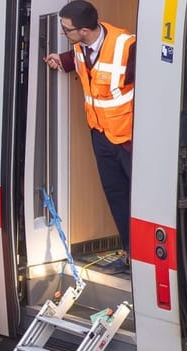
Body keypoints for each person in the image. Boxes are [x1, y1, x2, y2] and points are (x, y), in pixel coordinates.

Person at [44, 0, 135, 270]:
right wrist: (61, 60)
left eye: (66, 30)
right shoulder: (81, 47)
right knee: (116, 195)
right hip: (102, 135)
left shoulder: (127, 47)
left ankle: (145, 258)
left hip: (129, 139)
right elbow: (86, 63)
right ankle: (130, 252)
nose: (63, 34)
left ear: (84, 30)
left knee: (137, 200)